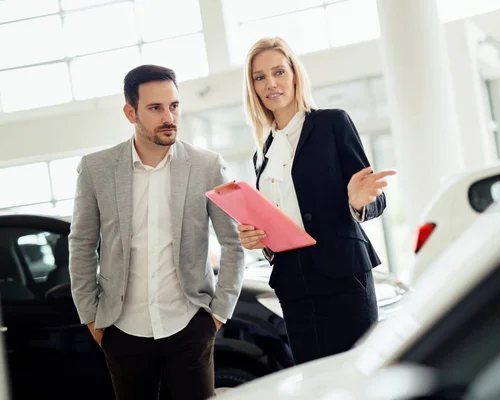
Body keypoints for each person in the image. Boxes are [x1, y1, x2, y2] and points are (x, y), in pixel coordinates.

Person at [68, 64, 245, 400]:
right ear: (129, 112)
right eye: (155, 108)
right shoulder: (96, 168)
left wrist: (218, 314)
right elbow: (81, 244)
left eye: (174, 106)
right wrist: (91, 317)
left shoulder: (207, 165)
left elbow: (233, 242)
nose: (169, 117)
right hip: (122, 329)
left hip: (190, 325)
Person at [238, 37, 396, 365]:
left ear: (295, 74)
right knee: (314, 381)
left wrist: (357, 201)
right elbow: (280, 217)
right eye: (260, 77)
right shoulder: (262, 153)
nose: (271, 83)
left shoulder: (331, 124)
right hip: (294, 284)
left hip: (342, 276)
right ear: (252, 87)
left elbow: (374, 199)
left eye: (278, 72)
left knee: (355, 375)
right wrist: (257, 237)